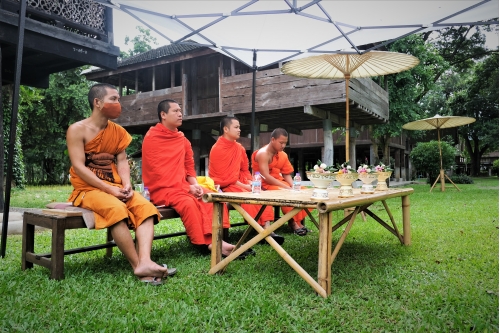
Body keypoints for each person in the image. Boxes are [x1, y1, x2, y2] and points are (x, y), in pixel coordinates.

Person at [66, 83, 173, 286]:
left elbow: (122, 160)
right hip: (88, 189)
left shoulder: (117, 131)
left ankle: (146, 261)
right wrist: (109, 189)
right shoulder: (77, 130)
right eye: (113, 99)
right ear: (97, 103)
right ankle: (137, 265)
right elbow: (79, 167)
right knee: (116, 209)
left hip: (116, 186)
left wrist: (126, 184)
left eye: (118, 99)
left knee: (145, 208)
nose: (118, 103)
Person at [142, 99, 248, 258]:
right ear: (163, 115)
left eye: (180, 111)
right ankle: (207, 244)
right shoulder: (152, 137)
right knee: (188, 203)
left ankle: (218, 241)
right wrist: (187, 188)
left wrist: (194, 184)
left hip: (182, 186)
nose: (180, 114)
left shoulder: (181, 139)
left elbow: (188, 166)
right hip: (163, 189)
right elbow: (157, 173)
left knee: (210, 197)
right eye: (175, 111)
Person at [209, 116, 284, 245]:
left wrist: (250, 182)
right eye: (236, 127)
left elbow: (244, 169)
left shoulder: (239, 148)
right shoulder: (217, 149)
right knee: (248, 196)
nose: (239, 130)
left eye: (239, 127)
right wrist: (246, 187)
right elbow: (224, 177)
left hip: (240, 182)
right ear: (226, 129)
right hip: (225, 185)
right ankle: (261, 231)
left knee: (260, 193)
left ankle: (267, 229)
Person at [251, 128, 310, 236]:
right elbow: (265, 176)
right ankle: (294, 223)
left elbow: (286, 173)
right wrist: (287, 188)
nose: (283, 146)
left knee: (304, 191)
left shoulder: (283, 155)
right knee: (286, 193)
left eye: (285, 143)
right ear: (273, 139)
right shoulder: (263, 153)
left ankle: (297, 220)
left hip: (278, 182)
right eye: (281, 142)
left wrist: (294, 186)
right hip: (264, 185)